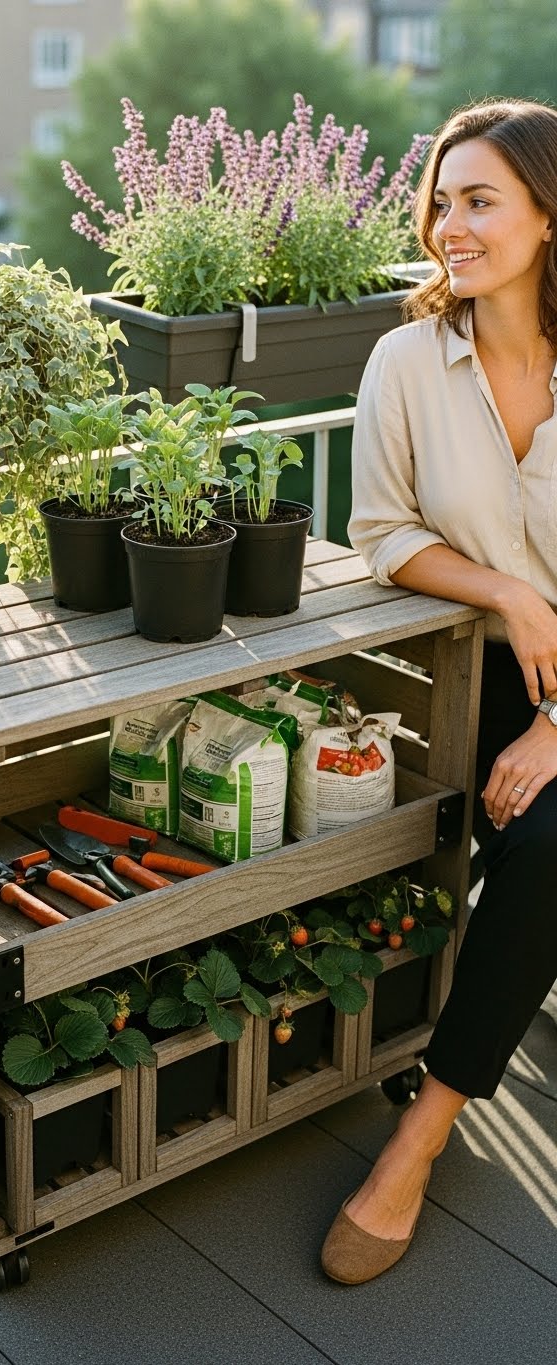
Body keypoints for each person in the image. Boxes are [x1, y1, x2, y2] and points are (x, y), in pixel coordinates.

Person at [321, 97, 557, 1285]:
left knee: (556, 833)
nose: (448, 226)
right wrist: (512, 598)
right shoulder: (407, 358)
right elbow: (379, 533)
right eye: (441, 201)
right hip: (462, 678)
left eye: (480, 201)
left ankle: (421, 1133)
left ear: (548, 214)